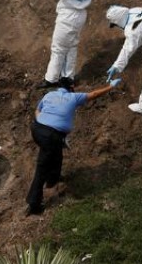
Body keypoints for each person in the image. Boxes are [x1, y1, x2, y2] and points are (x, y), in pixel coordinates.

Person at [26, 77, 121, 215]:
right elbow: (93, 95)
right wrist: (110, 87)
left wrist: (43, 122)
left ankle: (53, 178)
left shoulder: (49, 94)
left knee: (56, 152)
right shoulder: (73, 97)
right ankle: (34, 204)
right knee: (42, 167)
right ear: (71, 87)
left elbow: (37, 110)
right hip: (51, 135)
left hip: (37, 129)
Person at [38, 0, 93, 89]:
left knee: (58, 48)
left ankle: (51, 79)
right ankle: (67, 78)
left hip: (69, 16)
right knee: (71, 46)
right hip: (77, 15)